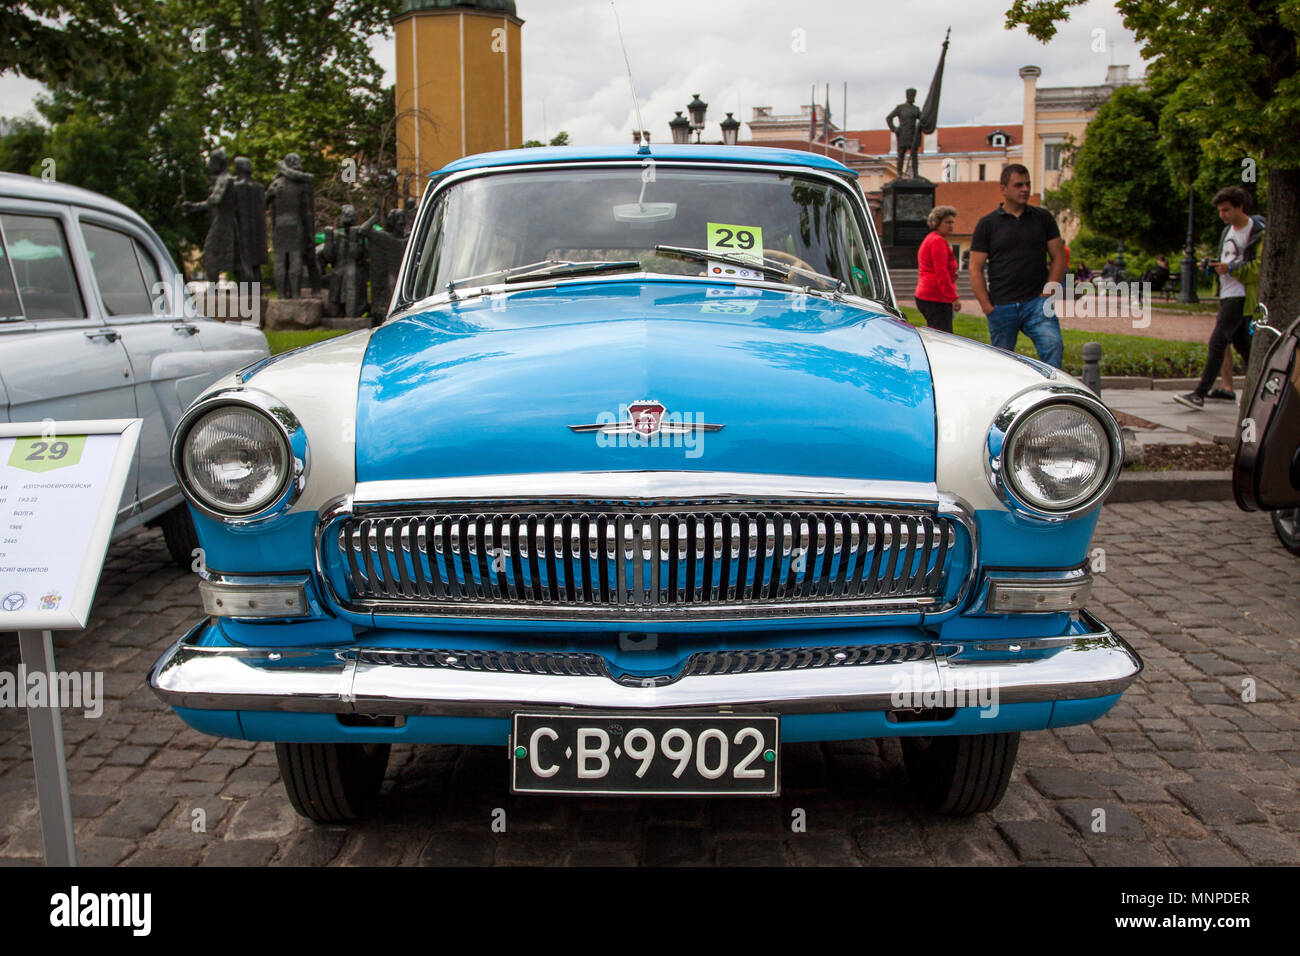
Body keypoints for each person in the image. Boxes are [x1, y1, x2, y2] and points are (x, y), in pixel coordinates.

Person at [1174, 186, 1266, 410]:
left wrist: (1231, 268)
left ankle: (1199, 394)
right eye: (1220, 210)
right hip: (1227, 294)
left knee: (1217, 342)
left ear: (1240, 207)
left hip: (1241, 295)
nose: (1222, 215)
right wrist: (1212, 265)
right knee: (1246, 347)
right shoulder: (1228, 232)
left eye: (1226, 210)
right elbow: (1227, 258)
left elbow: (1259, 267)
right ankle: (1266, 386)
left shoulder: (1257, 233)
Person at [968, 164, 1067, 368]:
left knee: (1053, 345)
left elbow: (1059, 257)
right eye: (1018, 185)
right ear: (1003, 188)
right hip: (1001, 305)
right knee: (1002, 363)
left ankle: (1050, 396)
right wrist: (987, 306)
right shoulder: (988, 224)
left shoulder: (1043, 219)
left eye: (1027, 184)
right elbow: (975, 267)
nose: (1024, 189)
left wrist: (1048, 292)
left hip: (1036, 303)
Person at [914, 204, 959, 333]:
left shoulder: (932, 239)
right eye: (947, 222)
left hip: (927, 294)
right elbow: (941, 272)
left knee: (936, 333)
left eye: (952, 222)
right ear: (937, 223)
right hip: (935, 296)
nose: (951, 226)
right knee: (943, 336)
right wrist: (953, 297)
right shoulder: (937, 241)